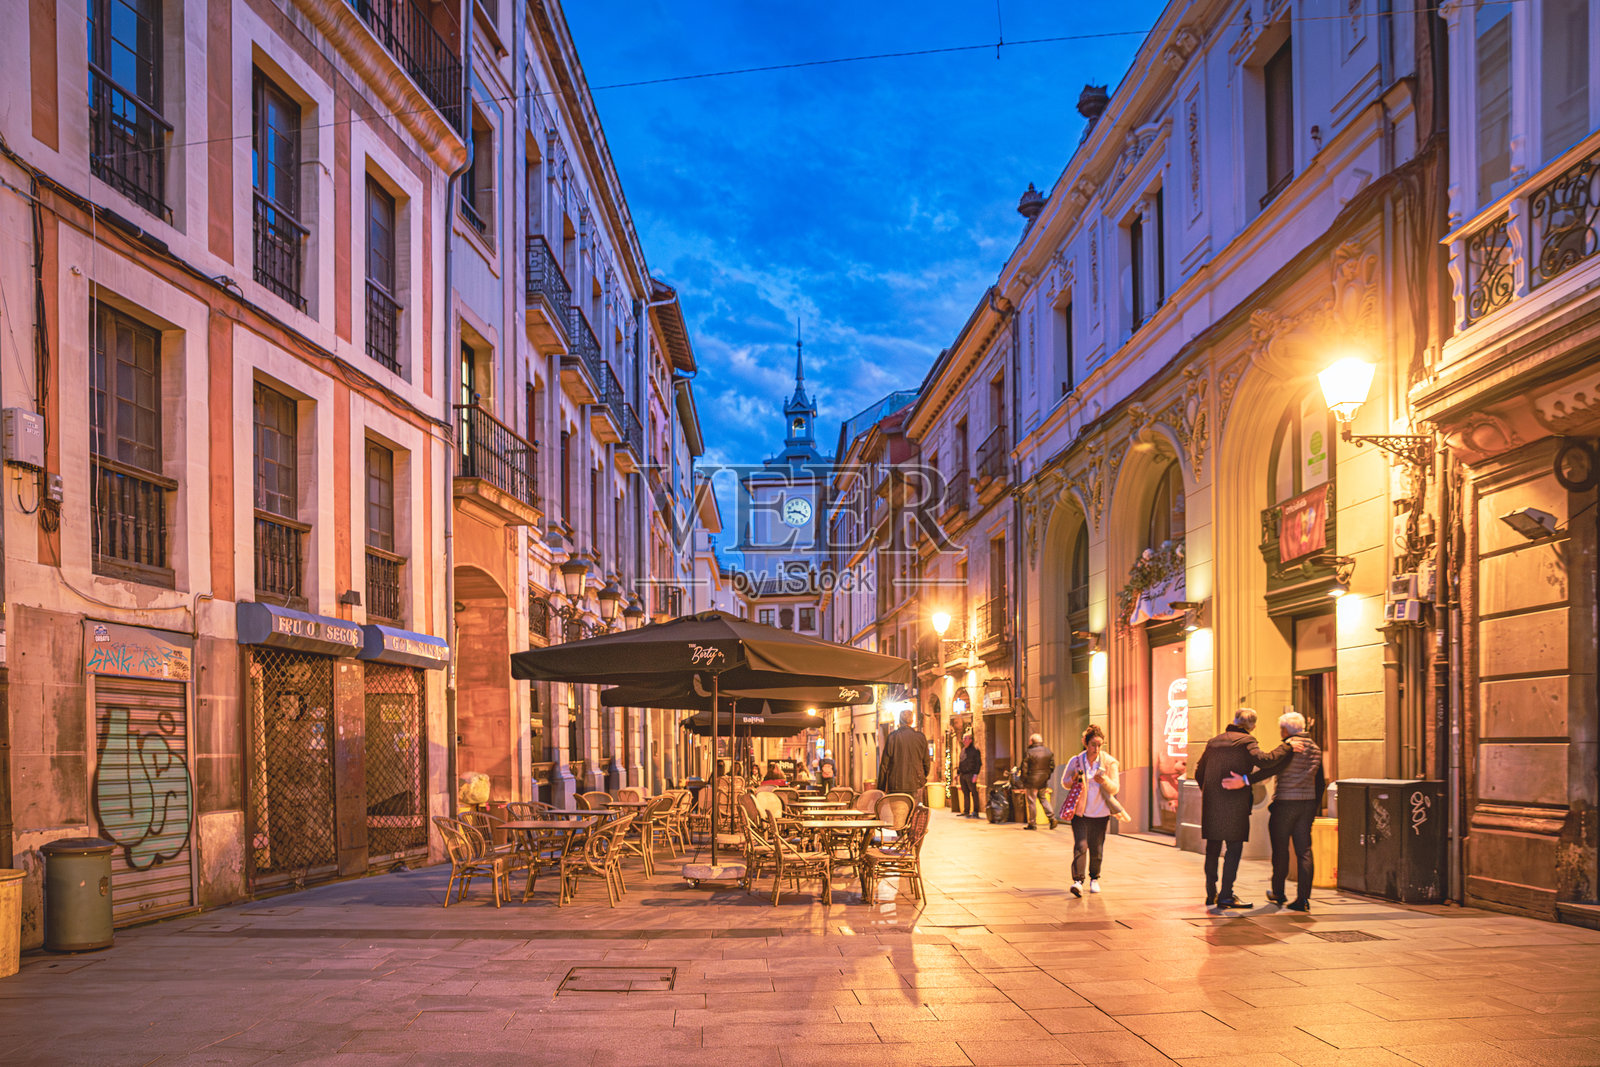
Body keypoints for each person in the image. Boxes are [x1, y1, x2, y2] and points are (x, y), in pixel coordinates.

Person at [1194, 708, 1288, 909]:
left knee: (1212, 849)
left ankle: (1211, 893)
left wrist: (1210, 792)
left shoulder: (1213, 742)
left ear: (1235, 720)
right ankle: (1226, 895)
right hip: (1235, 804)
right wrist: (1285, 748)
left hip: (1212, 805)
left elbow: (1199, 773)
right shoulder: (1246, 741)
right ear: (1252, 725)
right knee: (1233, 849)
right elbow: (1265, 761)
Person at [1258, 711, 1326, 912]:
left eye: (1281, 728)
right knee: (1304, 850)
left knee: (1280, 850)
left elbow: (1269, 767)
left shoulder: (1289, 747)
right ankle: (1303, 899)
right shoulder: (1315, 748)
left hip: (1285, 804)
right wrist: (1314, 806)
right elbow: (1320, 781)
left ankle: (1278, 892)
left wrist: (1245, 780)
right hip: (1307, 804)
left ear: (1286, 730)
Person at [1061, 724, 1121, 896]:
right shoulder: (1076, 761)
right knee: (1081, 845)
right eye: (1093, 744)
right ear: (1085, 743)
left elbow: (1115, 788)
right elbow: (1064, 783)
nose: (1096, 748)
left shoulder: (1109, 762)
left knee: (1096, 848)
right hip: (1080, 812)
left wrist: (1104, 781)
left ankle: (1094, 878)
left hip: (1101, 812)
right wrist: (1073, 778)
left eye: (1099, 745)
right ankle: (1078, 881)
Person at [877, 711, 931, 798]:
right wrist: (921, 776)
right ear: (912, 721)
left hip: (895, 786)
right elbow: (926, 763)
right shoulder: (920, 738)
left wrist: (881, 788)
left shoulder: (892, 737)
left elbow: (884, 765)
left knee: (897, 806)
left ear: (899, 721)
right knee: (915, 806)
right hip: (916, 784)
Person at [1020, 733, 1057, 831]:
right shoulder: (1048, 751)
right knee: (1043, 799)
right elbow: (1052, 766)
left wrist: (1024, 780)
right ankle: (1052, 818)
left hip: (1031, 780)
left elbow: (1024, 768)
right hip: (1043, 780)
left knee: (1031, 802)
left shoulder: (1029, 752)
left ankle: (1032, 823)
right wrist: (1047, 775)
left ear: (1031, 741)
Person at [956, 733, 982, 817]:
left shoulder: (975, 750)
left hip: (970, 774)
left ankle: (975, 811)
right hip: (963, 774)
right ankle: (966, 811)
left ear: (970, 740)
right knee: (965, 793)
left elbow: (978, 763)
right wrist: (958, 773)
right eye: (963, 738)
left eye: (965, 738)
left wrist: (975, 774)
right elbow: (961, 762)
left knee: (974, 793)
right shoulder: (963, 750)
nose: (963, 740)